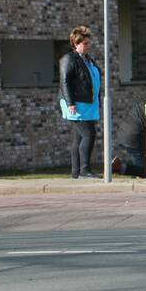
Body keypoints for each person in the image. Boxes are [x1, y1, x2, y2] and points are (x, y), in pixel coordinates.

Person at [58, 25, 102, 179]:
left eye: (89, 43)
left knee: (78, 137)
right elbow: (65, 82)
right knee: (89, 134)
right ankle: (84, 170)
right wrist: (70, 103)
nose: (88, 46)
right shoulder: (68, 59)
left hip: (87, 105)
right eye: (85, 43)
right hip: (76, 105)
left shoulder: (88, 60)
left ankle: (76, 172)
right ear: (75, 43)